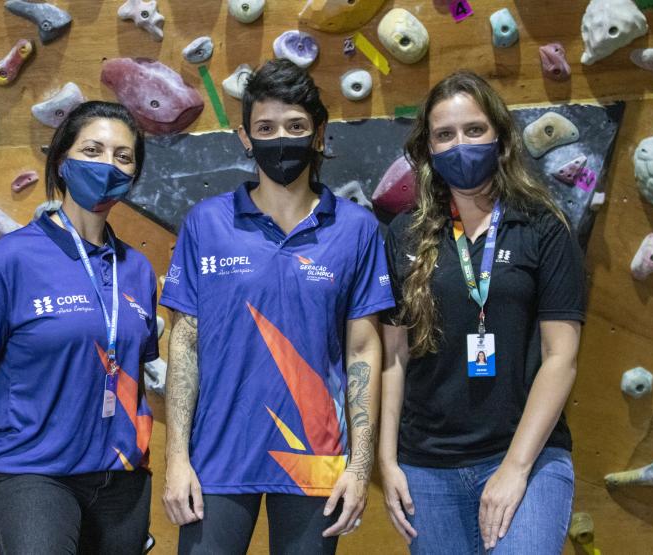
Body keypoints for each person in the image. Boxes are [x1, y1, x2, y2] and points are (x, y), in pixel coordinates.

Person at [159, 58, 395, 555]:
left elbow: (363, 350)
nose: (280, 138)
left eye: (295, 126)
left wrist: (358, 466)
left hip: (315, 458)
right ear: (245, 137)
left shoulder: (356, 228)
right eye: (265, 128)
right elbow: (184, 342)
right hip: (216, 460)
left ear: (318, 134)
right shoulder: (205, 223)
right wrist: (176, 459)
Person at [379, 71, 586, 554]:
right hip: (426, 465)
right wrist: (387, 461)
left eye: (474, 130)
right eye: (444, 135)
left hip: (526, 456)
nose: (460, 145)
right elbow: (394, 356)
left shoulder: (542, 226)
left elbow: (562, 357)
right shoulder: (404, 234)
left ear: (500, 136)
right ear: (428, 147)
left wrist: (514, 469)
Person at [0, 101, 158, 555]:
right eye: (94, 150)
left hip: (123, 481)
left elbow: (129, 376)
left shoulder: (137, 270)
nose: (109, 165)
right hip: (33, 476)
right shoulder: (6, 262)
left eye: (123, 157)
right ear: (62, 160)